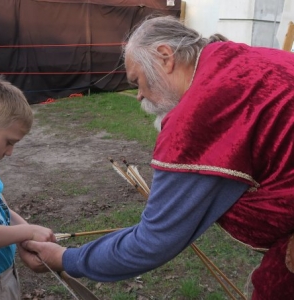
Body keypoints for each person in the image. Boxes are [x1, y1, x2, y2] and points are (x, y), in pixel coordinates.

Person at [20, 15, 294, 299]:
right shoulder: (238, 58)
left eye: (138, 81)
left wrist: (66, 259)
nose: (138, 96)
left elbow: (152, 241)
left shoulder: (200, 111)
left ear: (165, 57)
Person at [0, 77, 56, 299]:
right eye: (9, 142)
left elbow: (0, 206)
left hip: (4, 271)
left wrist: (23, 232)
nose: (10, 152)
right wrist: (27, 232)